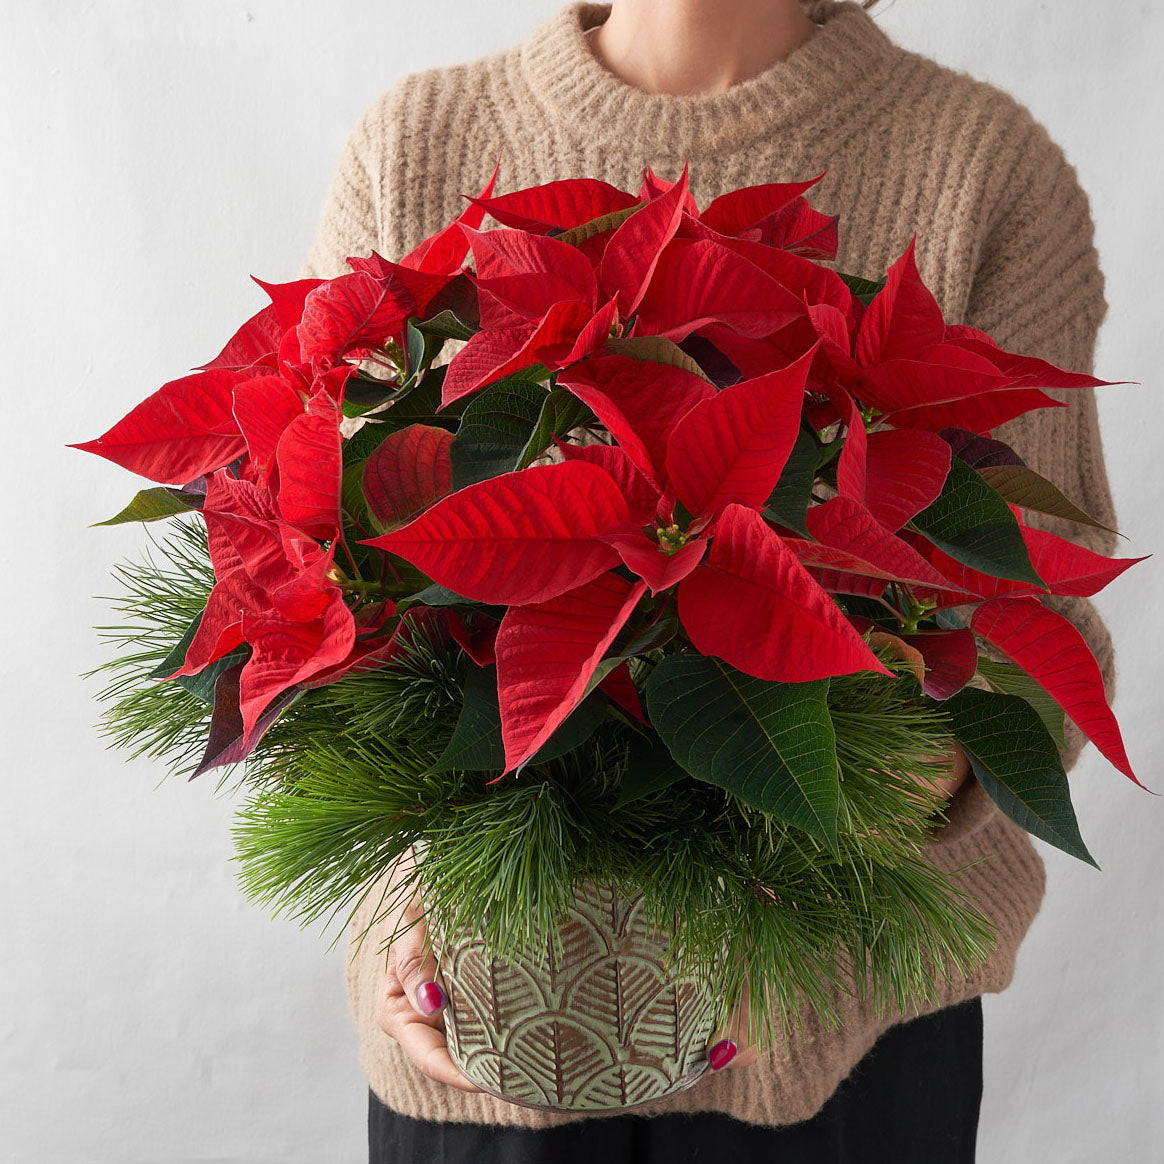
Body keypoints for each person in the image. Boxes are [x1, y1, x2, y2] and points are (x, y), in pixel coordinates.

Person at [299, 1, 1118, 1159]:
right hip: (483, 1026)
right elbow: (331, 580)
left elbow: (1043, 616)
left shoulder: (982, 164)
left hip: (846, 1042)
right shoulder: (419, 138)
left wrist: (847, 803)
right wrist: (414, 921)